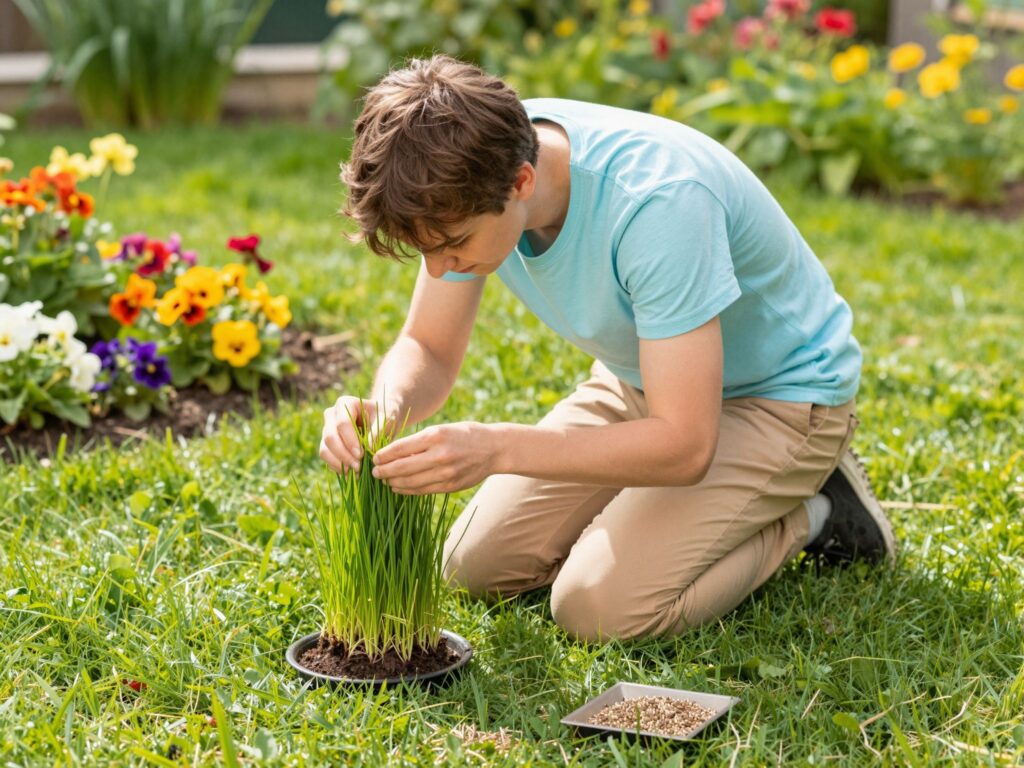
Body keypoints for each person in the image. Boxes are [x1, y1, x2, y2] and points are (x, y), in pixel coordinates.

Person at [319, 55, 896, 642]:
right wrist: (385, 408)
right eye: (426, 252)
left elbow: (685, 446)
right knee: (473, 565)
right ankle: (673, 506)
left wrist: (494, 449)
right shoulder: (471, 172)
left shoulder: (658, 205)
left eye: (453, 247)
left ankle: (810, 511)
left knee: (597, 609)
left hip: (780, 398)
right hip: (644, 379)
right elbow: (428, 345)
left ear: (522, 182)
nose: (441, 272)